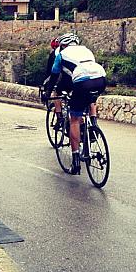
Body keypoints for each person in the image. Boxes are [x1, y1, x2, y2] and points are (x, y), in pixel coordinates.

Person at [43, 33, 107, 175]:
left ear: (63, 45)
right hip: (101, 79)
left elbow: (54, 76)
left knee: (74, 120)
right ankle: (93, 124)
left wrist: (47, 93)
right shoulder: (87, 50)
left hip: (81, 82)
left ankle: (76, 160)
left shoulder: (61, 54)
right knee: (90, 98)